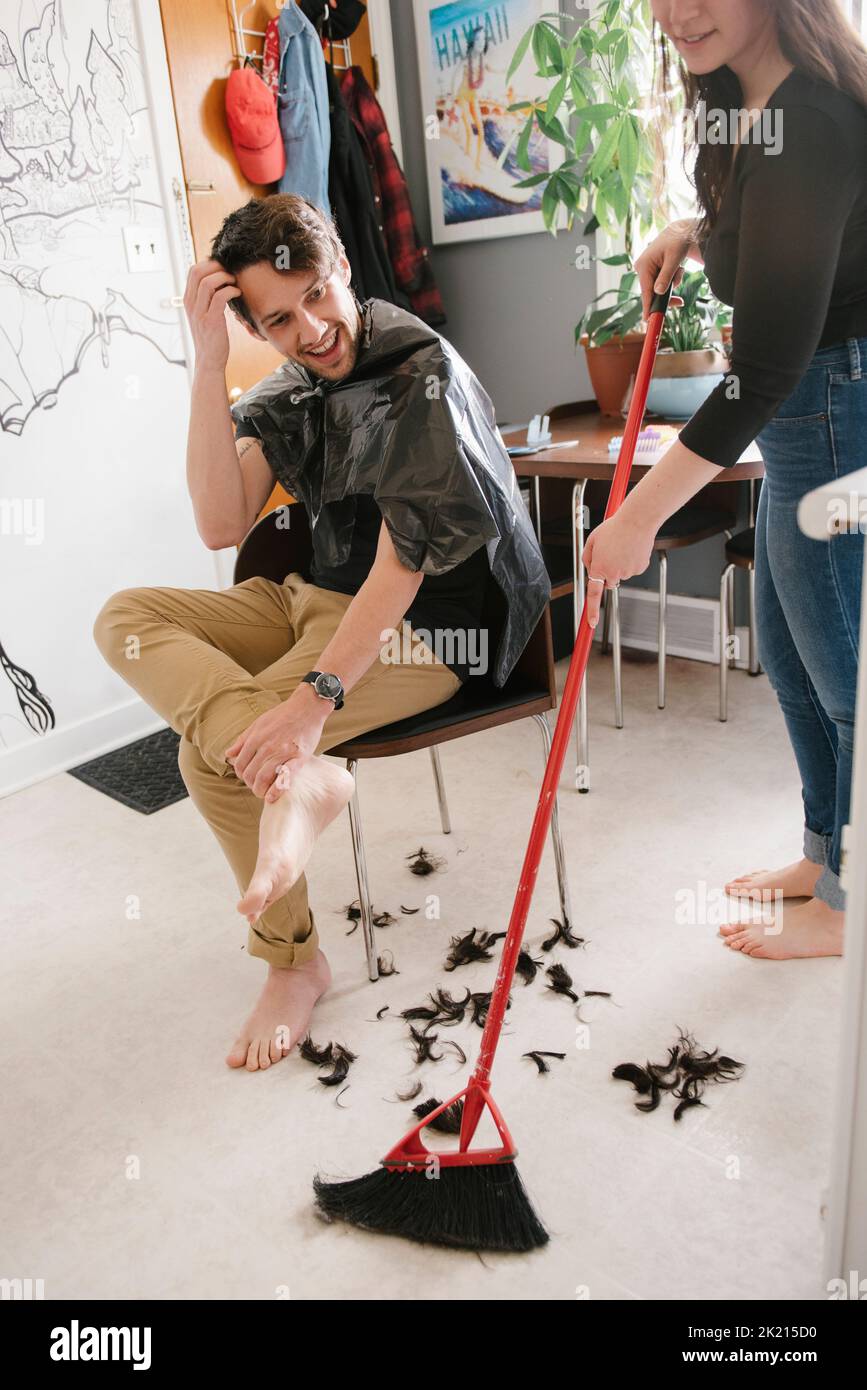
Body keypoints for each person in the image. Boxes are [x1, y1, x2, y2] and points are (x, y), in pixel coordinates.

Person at [92, 193, 548, 1069]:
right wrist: (206, 362)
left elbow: (400, 567)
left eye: (314, 294)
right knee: (129, 619)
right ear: (257, 327)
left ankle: (293, 964)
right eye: (278, 319)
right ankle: (296, 782)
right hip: (307, 595)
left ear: (340, 263)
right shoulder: (293, 384)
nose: (310, 328)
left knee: (210, 760)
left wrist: (313, 702)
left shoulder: (423, 373)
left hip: (426, 629)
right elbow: (222, 523)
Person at [583, 0, 867, 960]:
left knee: (846, 680)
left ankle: (853, 902)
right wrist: (693, 234)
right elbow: (786, 239)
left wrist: (634, 518)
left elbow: (767, 368)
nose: (676, 12)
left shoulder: (814, 119)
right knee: (790, 660)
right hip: (810, 410)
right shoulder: (744, 106)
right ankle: (827, 854)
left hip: (834, 405)